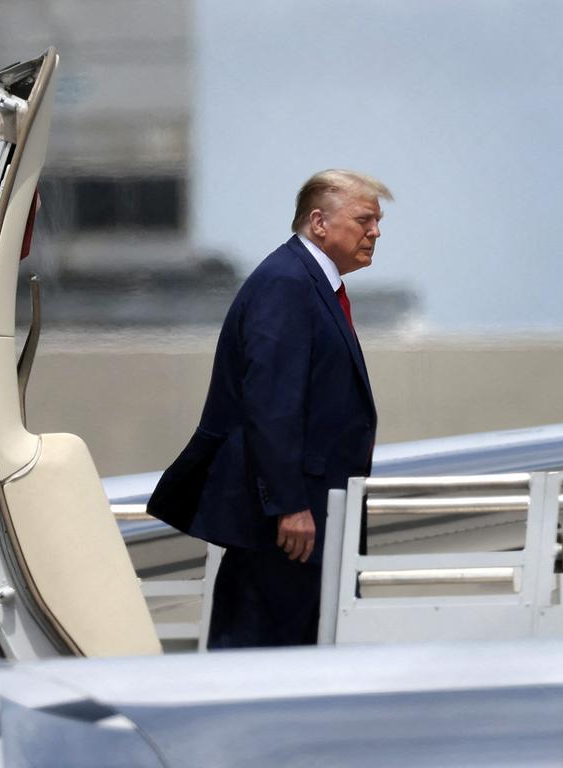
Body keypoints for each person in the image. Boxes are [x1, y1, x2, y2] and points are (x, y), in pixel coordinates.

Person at [148, 169, 391, 648]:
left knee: (289, 652)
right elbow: (271, 403)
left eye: (378, 222)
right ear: (319, 222)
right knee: (263, 654)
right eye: (365, 219)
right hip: (289, 526)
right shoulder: (287, 283)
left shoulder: (307, 282)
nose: (376, 232)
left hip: (307, 517)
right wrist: (288, 504)